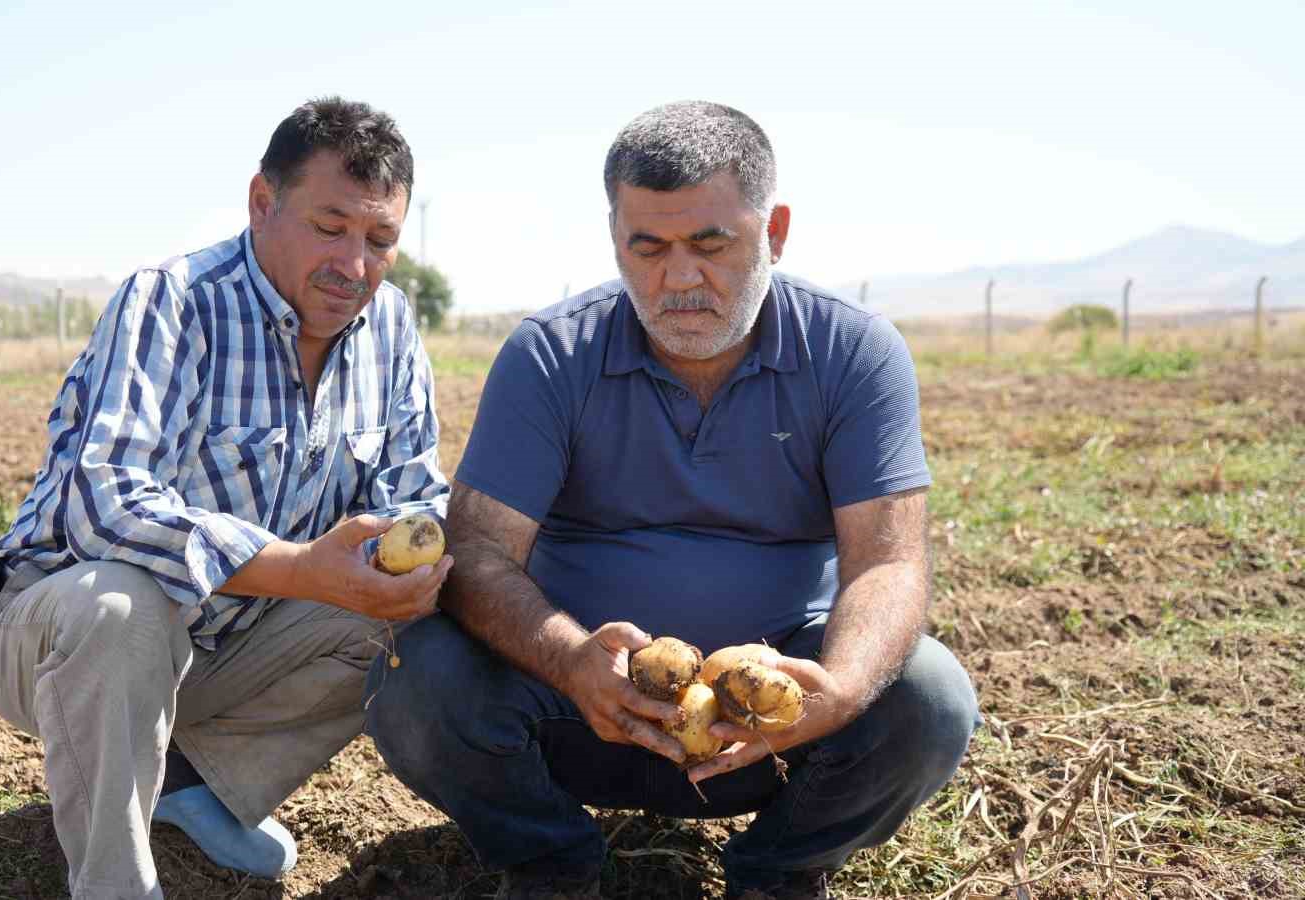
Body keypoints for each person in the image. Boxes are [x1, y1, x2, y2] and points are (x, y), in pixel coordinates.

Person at [364, 101, 978, 900]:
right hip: (576, 708)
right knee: (416, 675)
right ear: (615, 238)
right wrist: (572, 659)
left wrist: (842, 690)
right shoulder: (553, 355)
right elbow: (478, 551)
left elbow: (888, 562)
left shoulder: (853, 353)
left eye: (710, 244)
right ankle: (550, 862)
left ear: (776, 230)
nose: (679, 277)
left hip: (777, 723)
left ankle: (780, 873)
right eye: (646, 247)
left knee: (928, 696)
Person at [0, 96, 452, 899]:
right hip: (55, 633)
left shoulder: (390, 331)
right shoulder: (173, 301)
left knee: (405, 618)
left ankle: (195, 788)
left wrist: (416, 563)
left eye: (379, 240)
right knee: (124, 606)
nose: (354, 264)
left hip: (224, 647)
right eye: (330, 227)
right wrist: (300, 569)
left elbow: (415, 498)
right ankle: (115, 883)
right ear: (263, 202)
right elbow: (103, 502)